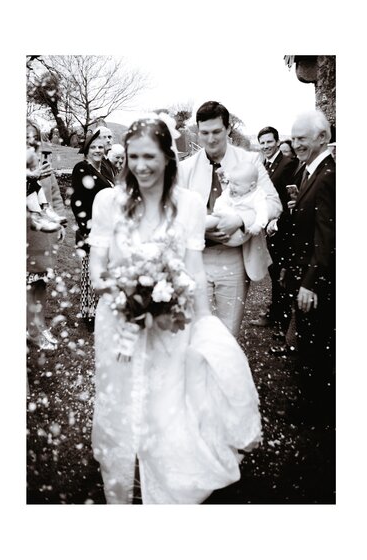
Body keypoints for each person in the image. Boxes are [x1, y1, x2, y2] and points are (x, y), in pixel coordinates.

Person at [88, 116, 261, 504]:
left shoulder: (189, 206)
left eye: (149, 156)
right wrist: (124, 289)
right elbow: (97, 265)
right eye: (133, 156)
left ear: (168, 157)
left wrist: (203, 323)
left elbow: (194, 272)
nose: (140, 166)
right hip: (118, 320)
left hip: (171, 321)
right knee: (118, 401)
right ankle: (120, 483)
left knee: (165, 399)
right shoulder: (108, 202)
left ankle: (165, 485)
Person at [176, 101, 282, 337]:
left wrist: (240, 220)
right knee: (197, 331)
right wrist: (199, 228)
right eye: (204, 133)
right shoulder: (185, 169)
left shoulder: (251, 161)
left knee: (227, 333)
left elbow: (274, 204)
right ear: (197, 131)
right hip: (196, 257)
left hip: (234, 258)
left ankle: (225, 373)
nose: (211, 139)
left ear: (227, 129)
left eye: (216, 132)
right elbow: (173, 215)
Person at [285, 110, 336, 430]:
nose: (295, 143)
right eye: (294, 138)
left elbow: (327, 237)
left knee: (316, 349)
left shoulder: (328, 175)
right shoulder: (310, 171)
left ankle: (315, 414)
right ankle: (310, 404)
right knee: (308, 344)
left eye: (302, 138)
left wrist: (310, 283)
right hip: (305, 275)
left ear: (322, 138)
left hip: (314, 282)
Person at [251, 127, 303, 337]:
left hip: (283, 229)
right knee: (274, 273)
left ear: (277, 141)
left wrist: (279, 221)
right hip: (269, 228)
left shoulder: (287, 164)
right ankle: (276, 314)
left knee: (282, 275)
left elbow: (289, 197)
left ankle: (284, 322)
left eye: (269, 142)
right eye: (262, 143)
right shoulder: (266, 165)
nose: (265, 146)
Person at [27, 122, 67, 350]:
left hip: (45, 239)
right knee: (27, 286)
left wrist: (60, 223)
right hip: (28, 237)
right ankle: (31, 329)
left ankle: (39, 326)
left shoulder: (45, 168)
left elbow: (56, 198)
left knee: (40, 283)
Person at [69, 131, 115, 331]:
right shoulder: (82, 168)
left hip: (108, 229)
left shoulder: (106, 167)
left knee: (105, 270)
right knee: (91, 271)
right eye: (93, 147)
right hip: (91, 229)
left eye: (100, 146)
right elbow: (77, 202)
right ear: (86, 150)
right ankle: (90, 315)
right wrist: (86, 229)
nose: (98, 150)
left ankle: (105, 311)